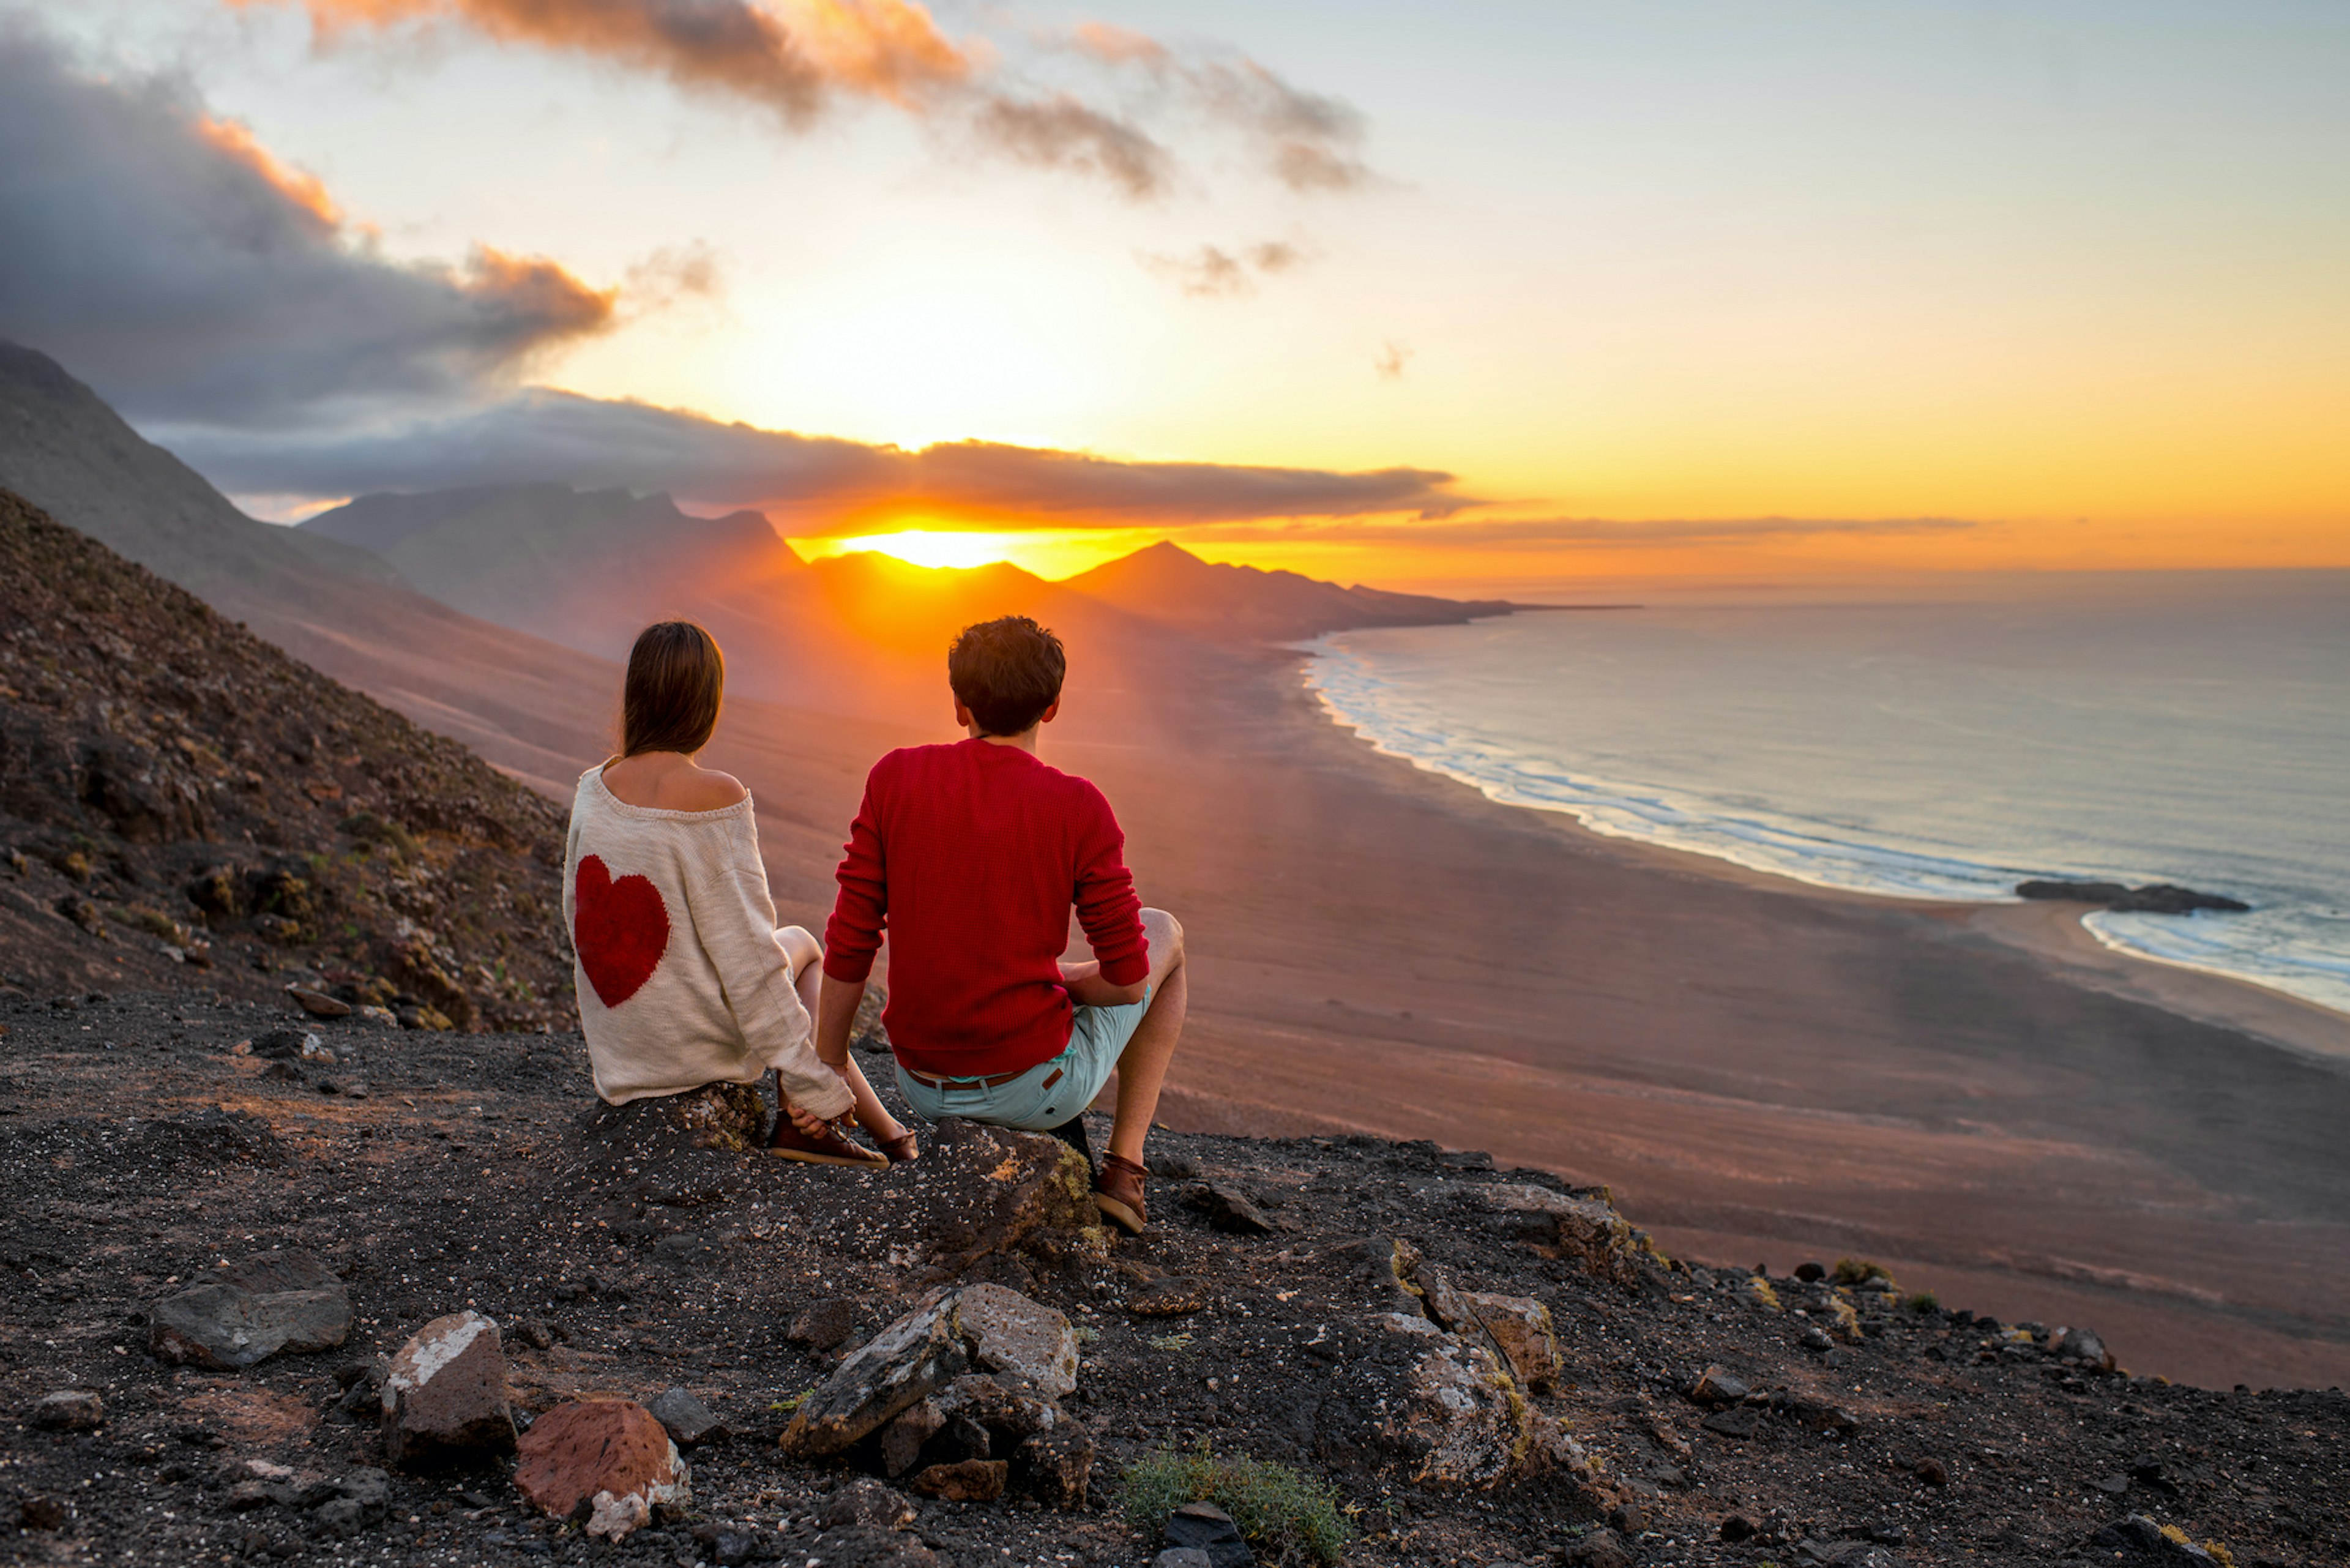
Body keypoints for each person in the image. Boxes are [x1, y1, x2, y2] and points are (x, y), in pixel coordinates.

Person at [804, 614, 1187, 1233]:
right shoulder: (1078, 806)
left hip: (921, 1087)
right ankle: (1125, 1170)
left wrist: (826, 1069)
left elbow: (851, 938)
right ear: (1053, 706)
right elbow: (1128, 984)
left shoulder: (894, 778)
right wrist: (1061, 981)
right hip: (1033, 1090)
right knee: (1165, 932)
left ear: (960, 705)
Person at [563, 621, 916, 1168]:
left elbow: (579, 920)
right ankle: (819, 1125)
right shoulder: (717, 798)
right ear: (707, 701)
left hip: (622, 1061)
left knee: (780, 949)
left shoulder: (593, 788)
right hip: (693, 1052)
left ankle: (891, 1133)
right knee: (798, 945)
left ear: (637, 694)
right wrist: (813, 1084)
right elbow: (751, 964)